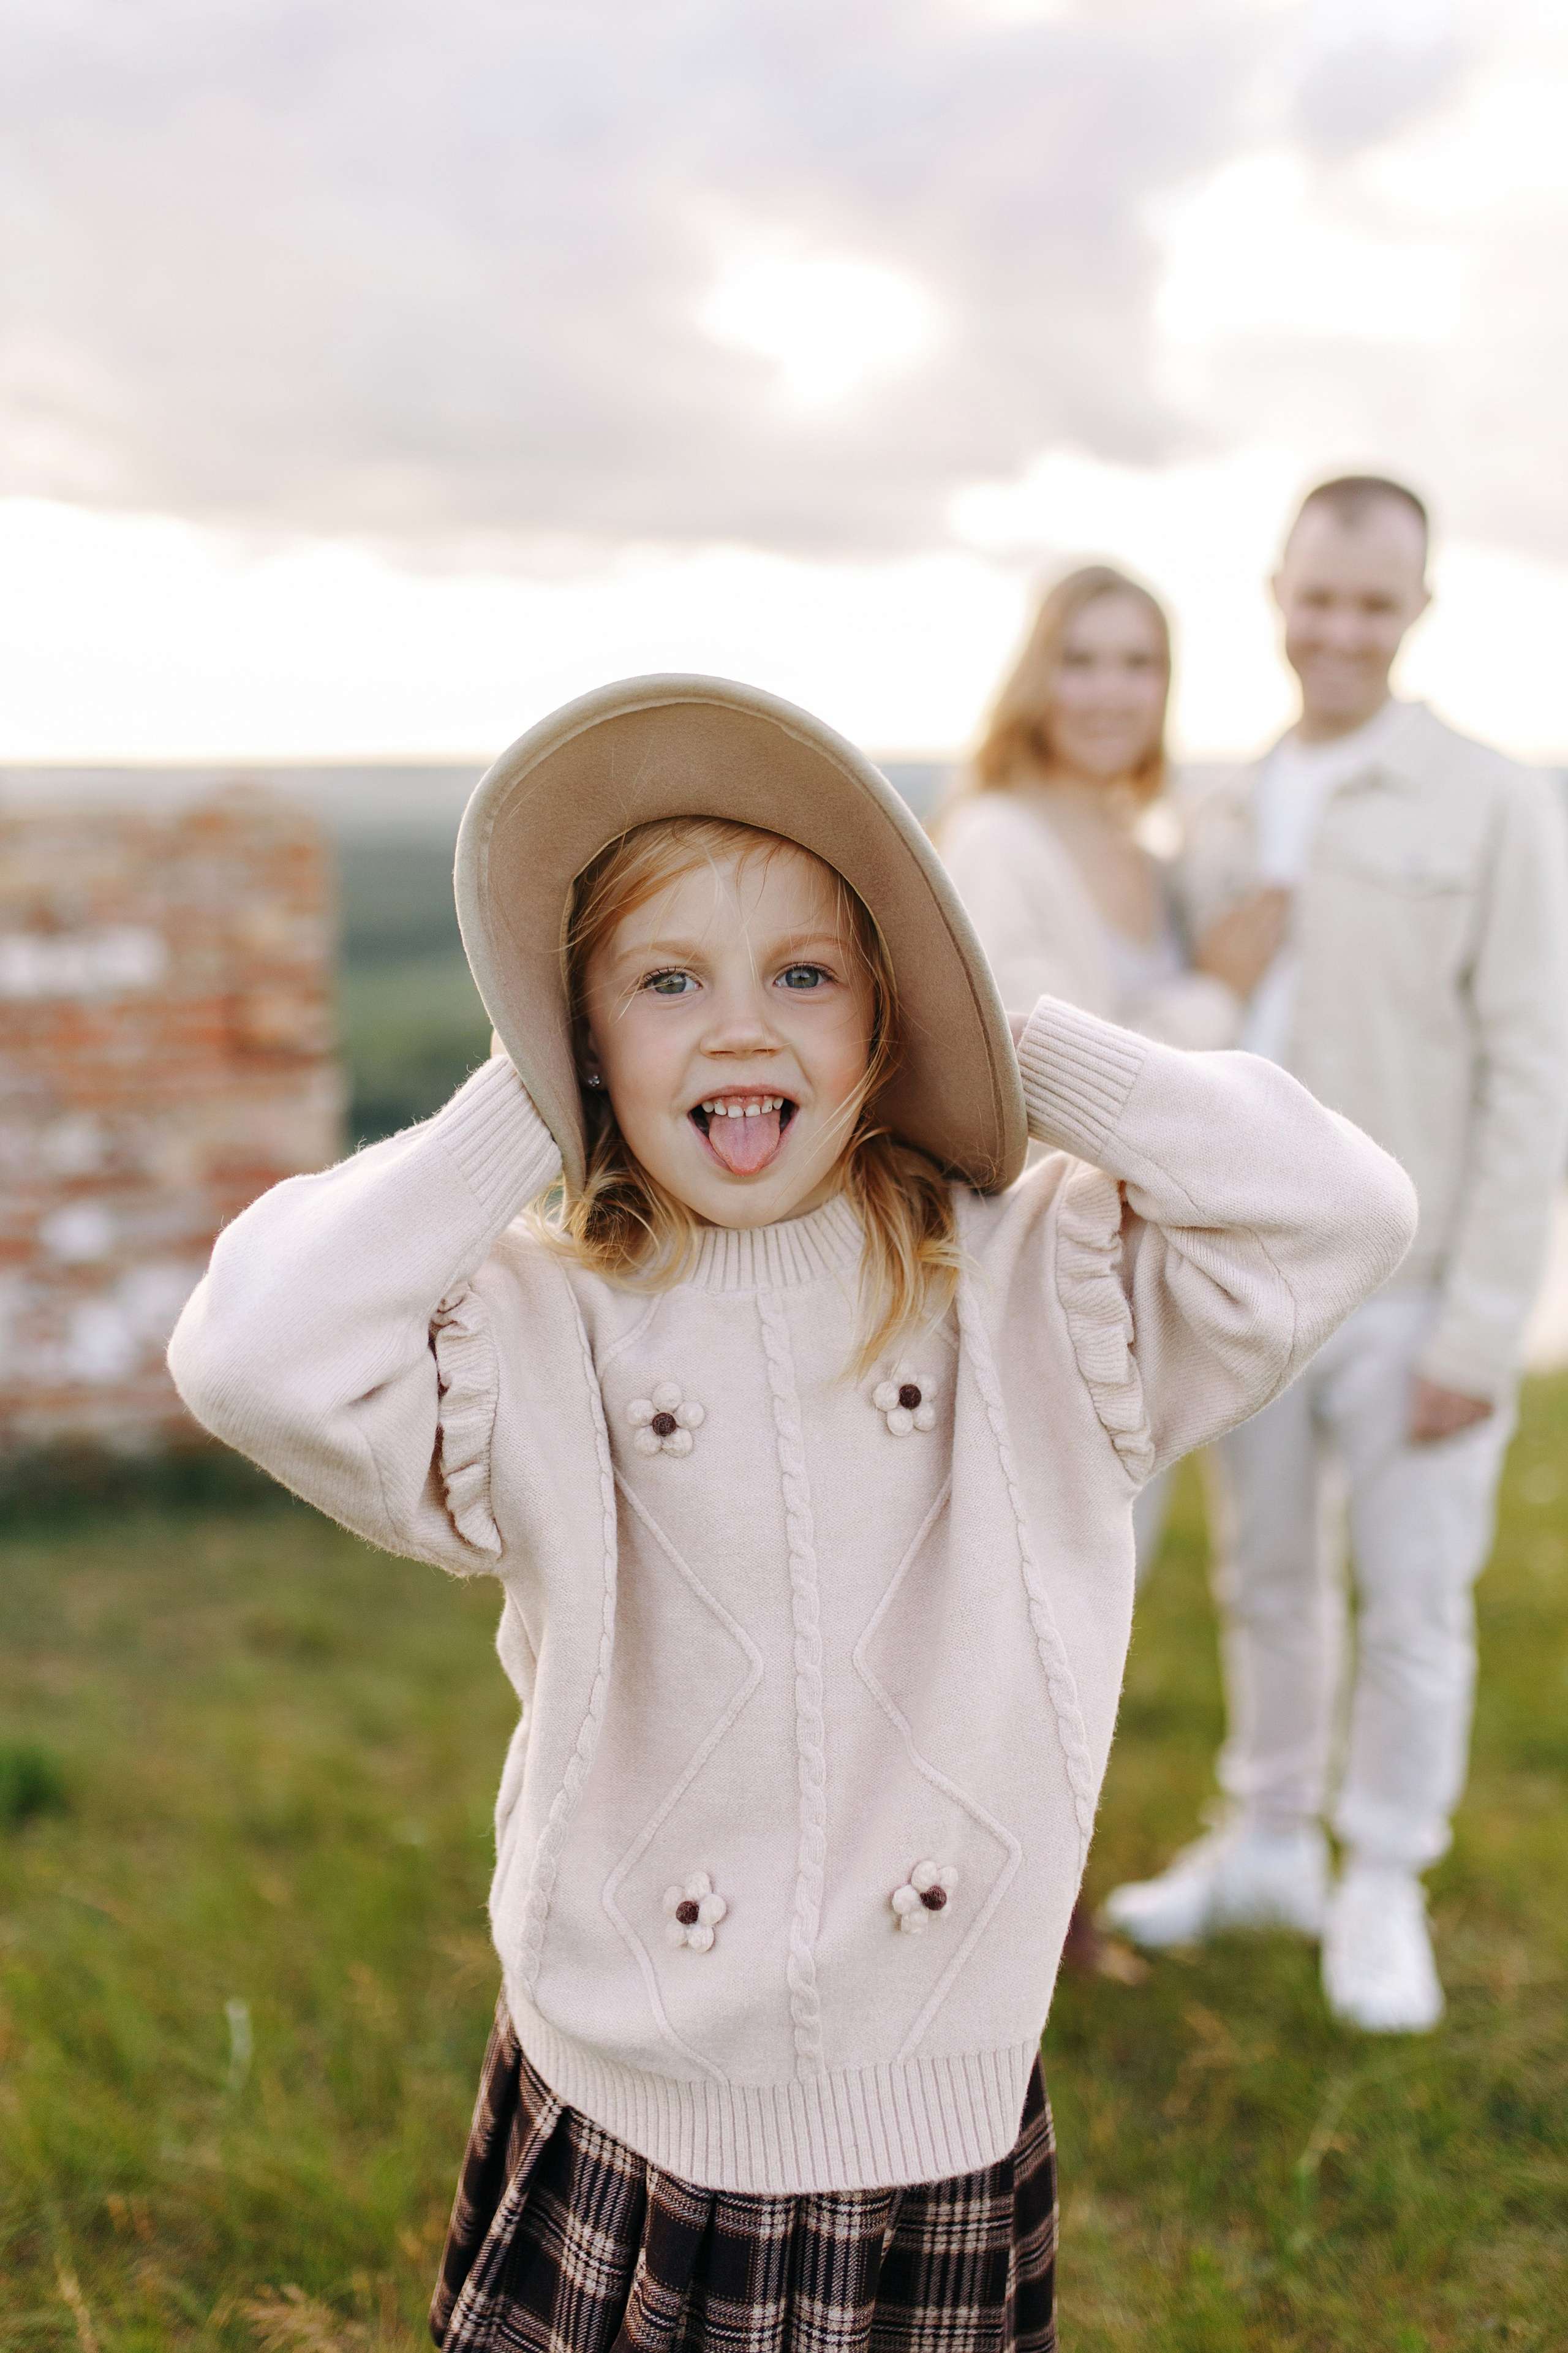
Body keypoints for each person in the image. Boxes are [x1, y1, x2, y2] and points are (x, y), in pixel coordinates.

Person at [167, 676, 1413, 2350]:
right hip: (632, 2096)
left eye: (806, 976)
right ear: (583, 1032)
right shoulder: (539, 1320)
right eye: (665, 981)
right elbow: (252, 1350)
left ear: (884, 1018)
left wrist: (1014, 1047)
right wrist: (512, 1111)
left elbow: (1342, 1207)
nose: (741, 1030)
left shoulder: (1031, 1286)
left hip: (931, 2109)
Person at [1104, 477, 1568, 2036]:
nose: (1339, 631)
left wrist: (1481, 1324)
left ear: (1414, 612)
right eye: (1317, 598)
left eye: (1372, 604)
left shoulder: (1491, 800)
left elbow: (1530, 1069)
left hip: (1418, 1284)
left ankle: (1380, 1876)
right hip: (1251, 1278)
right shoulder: (1227, 803)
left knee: (1413, 1596)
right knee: (1264, 1575)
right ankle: (1266, 1841)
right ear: (1278, 593)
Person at [937, 565, 1274, 1052]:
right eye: (1080, 662)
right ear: (1036, 679)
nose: (1111, 693)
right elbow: (1045, 1076)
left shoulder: (1155, 859)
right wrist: (1216, 996)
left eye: (1139, 664)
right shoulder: (995, 840)